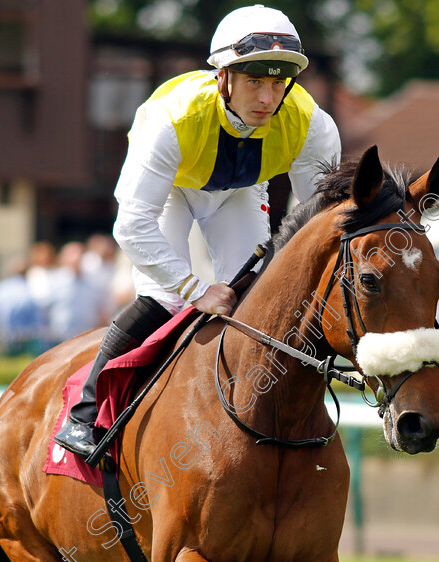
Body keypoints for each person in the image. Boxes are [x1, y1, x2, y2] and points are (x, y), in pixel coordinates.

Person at [54, 4, 342, 464]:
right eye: (254, 81)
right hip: (172, 191)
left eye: (277, 83)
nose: (267, 98)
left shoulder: (313, 125)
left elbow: (315, 223)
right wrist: (194, 290)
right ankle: (84, 414)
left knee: (257, 299)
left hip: (241, 191)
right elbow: (130, 226)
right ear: (223, 77)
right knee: (166, 300)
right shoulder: (172, 120)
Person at [0, 256, 43, 355]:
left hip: (5, 339)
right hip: (29, 341)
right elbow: (40, 319)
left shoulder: (0, 289)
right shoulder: (33, 290)